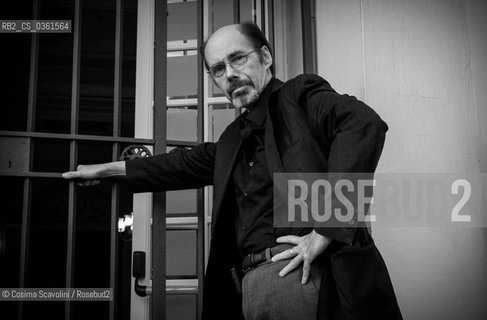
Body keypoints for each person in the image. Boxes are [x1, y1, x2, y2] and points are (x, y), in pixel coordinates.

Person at [63, 22, 402, 320]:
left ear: (265, 58)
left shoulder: (299, 95)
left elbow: (363, 124)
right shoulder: (230, 141)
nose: (230, 74)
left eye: (237, 59)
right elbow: (177, 165)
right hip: (249, 289)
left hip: (305, 277)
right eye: (218, 69)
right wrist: (106, 170)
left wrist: (326, 228)